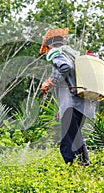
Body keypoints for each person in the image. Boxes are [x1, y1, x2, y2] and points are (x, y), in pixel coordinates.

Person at [39, 28, 96, 166]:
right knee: (74, 137)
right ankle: (84, 164)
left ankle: (74, 168)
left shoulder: (57, 54)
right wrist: (62, 109)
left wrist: (50, 81)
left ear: (49, 46)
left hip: (72, 104)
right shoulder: (73, 56)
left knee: (67, 142)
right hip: (82, 105)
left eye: (46, 48)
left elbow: (65, 67)